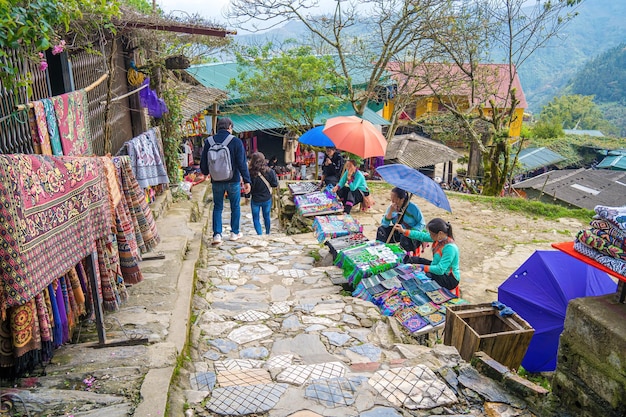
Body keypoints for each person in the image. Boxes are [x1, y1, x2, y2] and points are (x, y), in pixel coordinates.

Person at [200, 117, 251, 245]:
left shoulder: (209, 142)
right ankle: (234, 233)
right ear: (229, 127)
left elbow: (203, 164)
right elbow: (242, 163)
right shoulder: (236, 142)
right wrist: (246, 181)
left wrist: (207, 173)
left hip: (216, 181)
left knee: (217, 207)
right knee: (235, 206)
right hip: (232, 180)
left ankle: (217, 235)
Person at [393, 218, 460, 290]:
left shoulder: (450, 248)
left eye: (431, 234)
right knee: (412, 260)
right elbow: (422, 236)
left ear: (440, 233)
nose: (430, 236)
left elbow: (440, 270)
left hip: (448, 278)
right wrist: (403, 231)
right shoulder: (439, 238)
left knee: (421, 277)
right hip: (436, 266)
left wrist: (422, 267)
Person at [376, 187, 425, 252]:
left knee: (404, 237)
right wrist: (390, 211)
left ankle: (403, 257)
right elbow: (385, 224)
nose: (392, 201)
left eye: (394, 199)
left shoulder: (413, 208)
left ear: (402, 199)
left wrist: (409, 232)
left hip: (410, 234)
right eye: (391, 199)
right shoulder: (392, 207)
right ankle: (380, 250)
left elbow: (422, 223)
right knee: (381, 230)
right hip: (398, 231)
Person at [248, 152, 279, 236]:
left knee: (256, 218)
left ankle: (260, 234)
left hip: (255, 199)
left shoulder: (250, 173)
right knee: (266, 216)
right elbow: (275, 184)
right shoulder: (270, 171)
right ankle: (268, 232)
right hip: (267, 198)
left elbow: (249, 187)